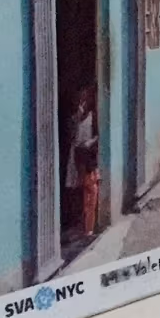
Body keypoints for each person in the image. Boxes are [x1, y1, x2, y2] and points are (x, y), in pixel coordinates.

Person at [65, 85, 101, 239]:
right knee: (77, 190)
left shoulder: (94, 116)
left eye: (86, 98)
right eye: (81, 99)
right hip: (77, 156)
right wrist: (77, 118)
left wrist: (90, 142)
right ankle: (79, 225)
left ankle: (89, 228)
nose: (83, 101)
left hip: (89, 156)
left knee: (90, 189)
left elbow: (99, 135)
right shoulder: (75, 117)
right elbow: (71, 135)